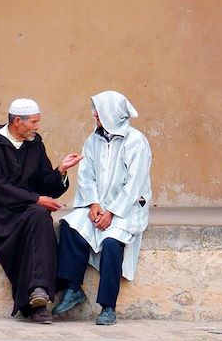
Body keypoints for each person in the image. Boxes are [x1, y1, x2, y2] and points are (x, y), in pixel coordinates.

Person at [0, 98, 83, 324]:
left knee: (39, 217)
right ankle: (36, 301)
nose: (37, 127)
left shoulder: (35, 144)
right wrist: (35, 199)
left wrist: (60, 170)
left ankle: (39, 294)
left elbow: (43, 183)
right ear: (17, 121)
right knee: (37, 216)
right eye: (33, 122)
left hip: (26, 208)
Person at [52, 91, 152, 326]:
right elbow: (87, 176)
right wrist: (94, 203)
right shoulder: (93, 140)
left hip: (127, 209)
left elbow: (134, 184)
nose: (95, 115)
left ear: (112, 114)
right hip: (100, 206)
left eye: (99, 111)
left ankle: (108, 307)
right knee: (70, 226)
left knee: (111, 243)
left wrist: (112, 212)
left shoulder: (136, 141)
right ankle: (72, 287)